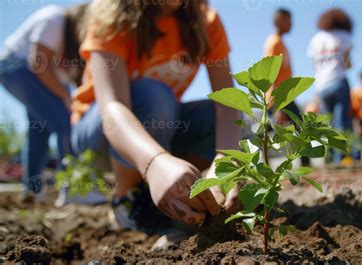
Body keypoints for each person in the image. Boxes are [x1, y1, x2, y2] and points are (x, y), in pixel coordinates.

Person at [71, 0, 241, 229]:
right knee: (154, 96)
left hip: (163, 125)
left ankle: (172, 189)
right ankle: (128, 198)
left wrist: (227, 162)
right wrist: (154, 163)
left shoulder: (205, 20)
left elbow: (227, 102)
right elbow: (112, 108)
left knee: (222, 120)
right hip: (100, 134)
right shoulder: (110, 15)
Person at [0, 4, 87, 201]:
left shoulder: (74, 48)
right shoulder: (55, 18)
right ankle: (74, 189)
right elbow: (39, 65)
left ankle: (32, 190)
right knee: (65, 122)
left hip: (35, 75)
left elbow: (75, 83)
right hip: (17, 68)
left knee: (39, 129)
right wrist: (67, 98)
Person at [307, 8, 354, 163]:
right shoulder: (344, 36)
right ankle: (341, 157)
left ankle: (330, 156)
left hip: (322, 87)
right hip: (338, 82)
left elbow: (315, 66)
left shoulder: (316, 39)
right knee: (342, 122)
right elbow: (347, 63)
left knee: (329, 124)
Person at [264, 8, 310, 167]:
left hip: (285, 96)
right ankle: (305, 165)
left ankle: (305, 165)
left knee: (282, 128)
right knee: (300, 126)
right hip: (279, 96)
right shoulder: (275, 43)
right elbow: (270, 74)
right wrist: (279, 106)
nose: (291, 24)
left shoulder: (281, 43)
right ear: (279, 20)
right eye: (289, 20)